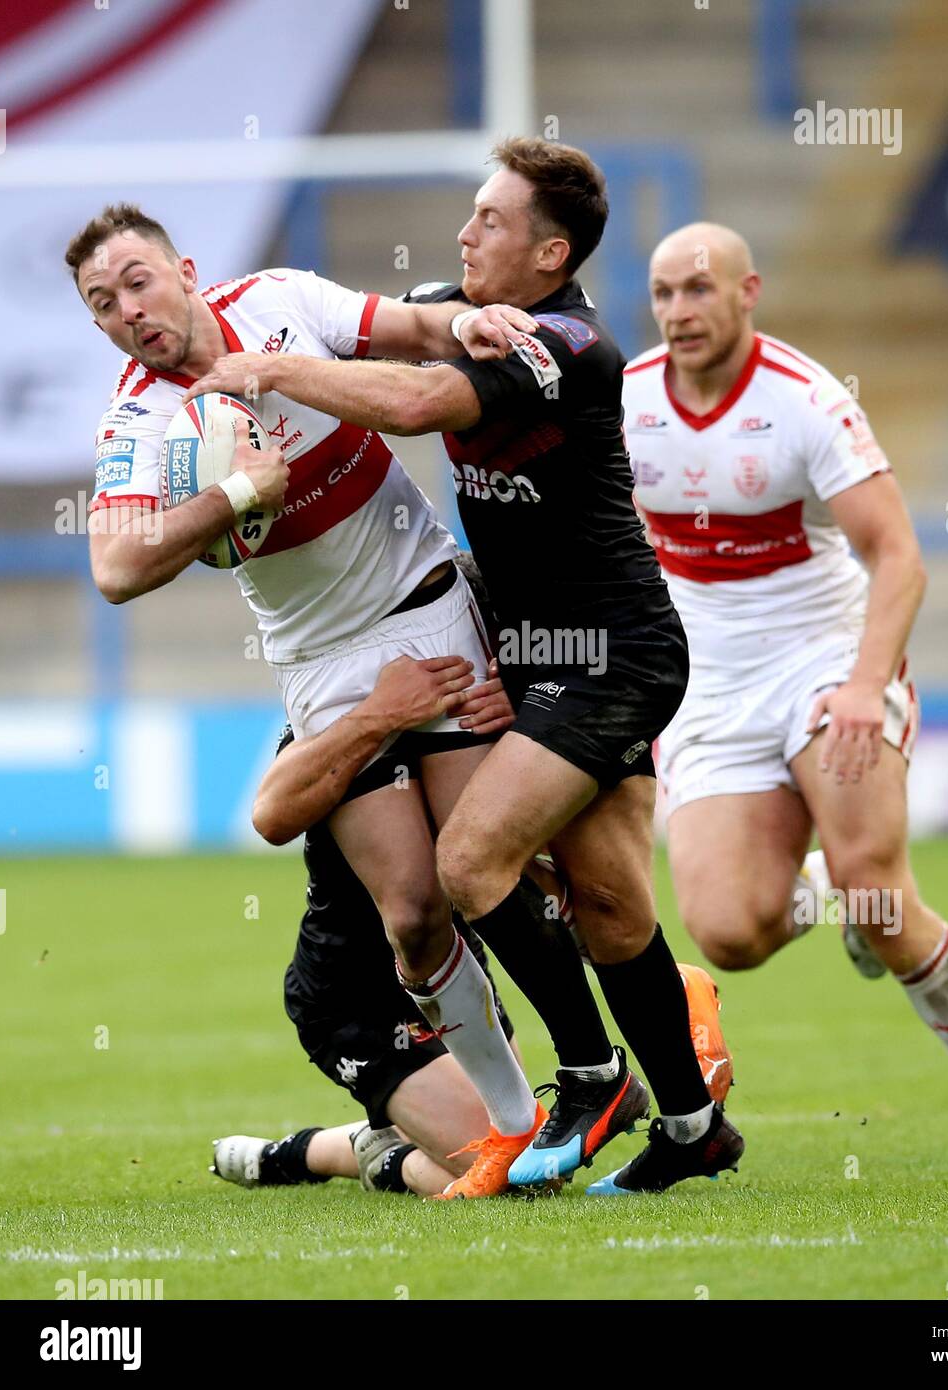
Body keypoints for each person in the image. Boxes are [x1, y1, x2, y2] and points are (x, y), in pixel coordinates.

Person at [185, 138, 744, 1198]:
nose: (464, 233)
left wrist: (264, 367)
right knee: (613, 906)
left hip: (614, 650)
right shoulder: (466, 309)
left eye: (490, 220)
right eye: (470, 214)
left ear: (551, 252)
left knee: (472, 864)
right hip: (531, 654)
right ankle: (691, 1124)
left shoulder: (569, 346)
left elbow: (407, 404)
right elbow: (392, 327)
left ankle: (588, 1075)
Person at [70, 206, 618, 1189]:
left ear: (185, 270)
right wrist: (236, 498)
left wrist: (468, 323)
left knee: (476, 867)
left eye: (139, 280)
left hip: (421, 605)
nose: (128, 311)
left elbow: (406, 330)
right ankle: (515, 1125)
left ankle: (607, 1058)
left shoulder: (279, 302)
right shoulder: (136, 420)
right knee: (409, 912)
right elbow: (114, 568)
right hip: (320, 665)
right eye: (103, 303)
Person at [623, 221, 948, 1159]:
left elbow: (897, 555)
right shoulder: (627, 403)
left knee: (881, 899)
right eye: (663, 293)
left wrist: (865, 686)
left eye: (699, 289)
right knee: (730, 932)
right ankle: (815, 888)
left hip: (824, 660)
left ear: (749, 292)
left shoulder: (804, 399)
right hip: (709, 680)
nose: (678, 311)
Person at [213, 636, 733, 1198]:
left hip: (458, 983)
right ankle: (353, 1152)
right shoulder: (346, 702)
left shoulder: (482, 726)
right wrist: (377, 715)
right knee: (518, 1186)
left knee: (524, 1155)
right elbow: (270, 813)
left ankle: (671, 1000)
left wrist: (656, 1004)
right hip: (355, 1000)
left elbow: (535, 890)